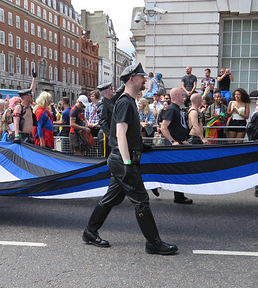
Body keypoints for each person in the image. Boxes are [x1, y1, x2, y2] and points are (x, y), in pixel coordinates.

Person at [82, 63, 178, 255]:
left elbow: (129, 135)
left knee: (111, 199)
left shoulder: (129, 102)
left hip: (121, 159)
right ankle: (153, 242)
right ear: (132, 79)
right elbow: (120, 134)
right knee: (141, 201)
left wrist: (142, 146)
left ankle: (90, 232)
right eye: (142, 77)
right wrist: (127, 163)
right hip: (123, 160)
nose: (145, 81)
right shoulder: (126, 102)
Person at [161, 88, 194, 204]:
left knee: (177, 170)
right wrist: (172, 141)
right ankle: (178, 196)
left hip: (178, 142)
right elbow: (163, 127)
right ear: (176, 95)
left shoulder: (176, 109)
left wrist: (182, 140)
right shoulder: (171, 109)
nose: (184, 98)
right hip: (173, 145)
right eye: (182, 95)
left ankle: (179, 195)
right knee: (176, 170)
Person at [97, 82, 115, 154]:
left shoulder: (109, 101)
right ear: (107, 91)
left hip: (110, 132)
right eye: (111, 89)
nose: (112, 90)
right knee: (106, 156)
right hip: (105, 134)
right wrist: (108, 134)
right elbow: (103, 120)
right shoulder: (103, 103)